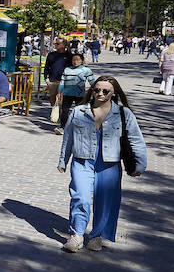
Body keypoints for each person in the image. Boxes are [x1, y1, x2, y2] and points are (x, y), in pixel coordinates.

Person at [57, 74, 147, 252]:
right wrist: (63, 160)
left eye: (106, 91)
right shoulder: (79, 111)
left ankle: (96, 235)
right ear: (92, 91)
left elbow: (136, 139)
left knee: (106, 202)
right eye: (97, 90)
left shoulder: (123, 113)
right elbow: (68, 138)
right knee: (80, 197)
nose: (100, 93)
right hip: (82, 161)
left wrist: (139, 165)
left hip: (109, 163)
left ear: (114, 93)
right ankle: (77, 235)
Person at [57, 50, 97, 127]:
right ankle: (63, 126)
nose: (75, 62)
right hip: (67, 94)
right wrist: (59, 92)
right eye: (73, 60)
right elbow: (62, 82)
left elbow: (92, 82)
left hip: (80, 94)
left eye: (78, 60)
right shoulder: (67, 70)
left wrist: (95, 91)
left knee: (80, 111)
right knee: (65, 111)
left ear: (82, 61)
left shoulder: (86, 70)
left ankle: (80, 125)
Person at [43, 39, 71, 116]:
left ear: (64, 45)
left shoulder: (69, 55)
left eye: (57, 44)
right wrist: (45, 78)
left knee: (61, 97)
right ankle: (54, 109)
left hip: (64, 80)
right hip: (52, 80)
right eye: (55, 43)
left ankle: (59, 114)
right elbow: (46, 66)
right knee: (52, 97)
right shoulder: (51, 55)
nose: (55, 45)